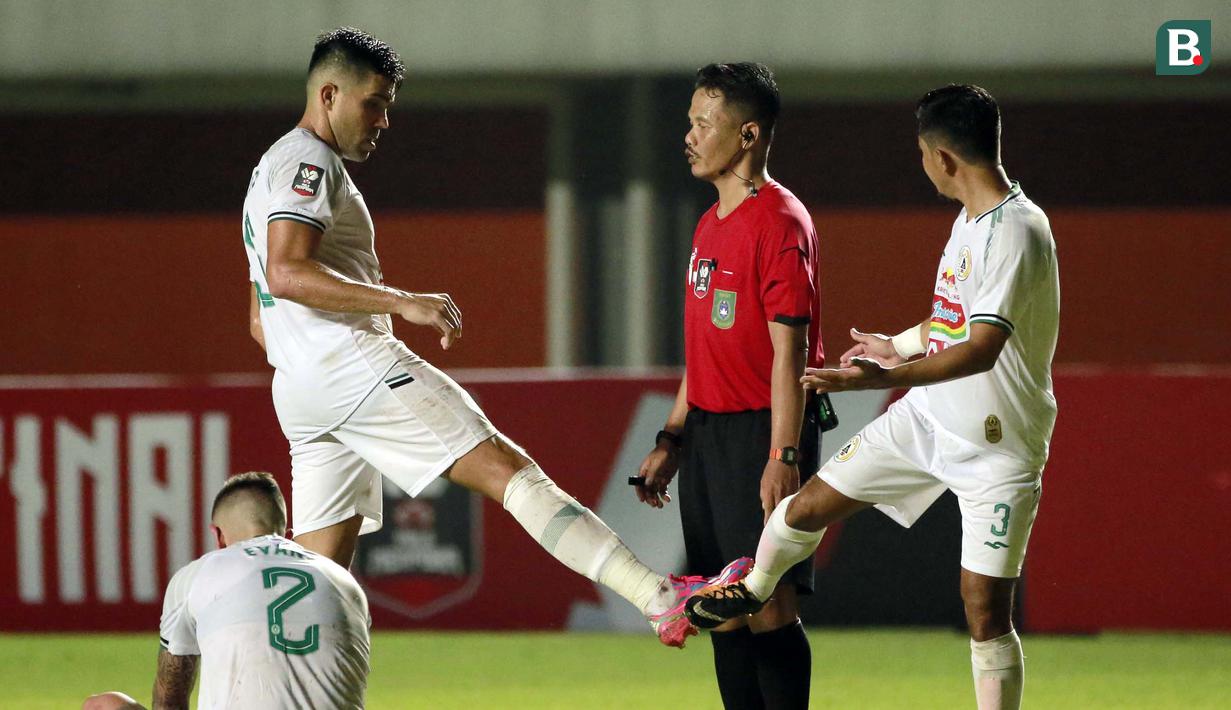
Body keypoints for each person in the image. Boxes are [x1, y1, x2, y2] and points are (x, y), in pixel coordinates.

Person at [240, 26, 739, 649]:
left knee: (318, 584)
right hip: (350, 367)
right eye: (374, 103)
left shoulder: (268, 169)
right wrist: (403, 303)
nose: (384, 120)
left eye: (389, 106)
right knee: (510, 472)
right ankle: (659, 597)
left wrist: (307, 362)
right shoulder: (309, 162)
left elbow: (260, 316)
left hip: (302, 389)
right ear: (330, 94)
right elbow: (288, 273)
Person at [686, 84, 1060, 710]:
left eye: (921, 153)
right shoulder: (971, 219)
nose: (921, 164)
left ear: (941, 159)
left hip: (999, 448)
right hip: (926, 422)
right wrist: (899, 343)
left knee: (984, 607)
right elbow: (950, 321)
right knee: (800, 511)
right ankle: (752, 586)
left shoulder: (1018, 232)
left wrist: (879, 379)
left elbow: (981, 348)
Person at [635, 63, 823, 709]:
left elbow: (788, 352)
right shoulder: (710, 223)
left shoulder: (779, 222)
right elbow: (704, 349)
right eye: (689, 121)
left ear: (746, 134)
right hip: (711, 435)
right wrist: (672, 436)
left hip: (760, 431)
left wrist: (782, 455)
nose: (687, 135)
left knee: (765, 603)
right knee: (721, 608)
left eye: (701, 123)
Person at [83, 472, 370, 710]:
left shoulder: (197, 574)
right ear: (286, 535)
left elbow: (169, 699)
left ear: (218, 536)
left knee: (102, 706)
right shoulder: (345, 583)